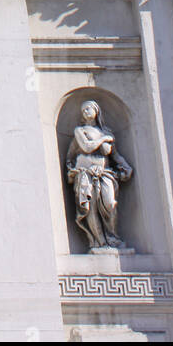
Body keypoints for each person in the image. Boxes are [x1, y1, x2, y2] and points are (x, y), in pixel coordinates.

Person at [66, 99, 133, 250]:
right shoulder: (80, 131)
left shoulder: (107, 132)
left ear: (97, 111)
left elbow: (114, 155)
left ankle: (112, 238)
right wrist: (103, 139)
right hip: (85, 173)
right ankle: (99, 242)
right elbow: (87, 147)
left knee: (109, 203)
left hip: (104, 173)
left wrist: (125, 166)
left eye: (88, 108)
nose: (85, 111)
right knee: (90, 207)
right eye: (83, 110)